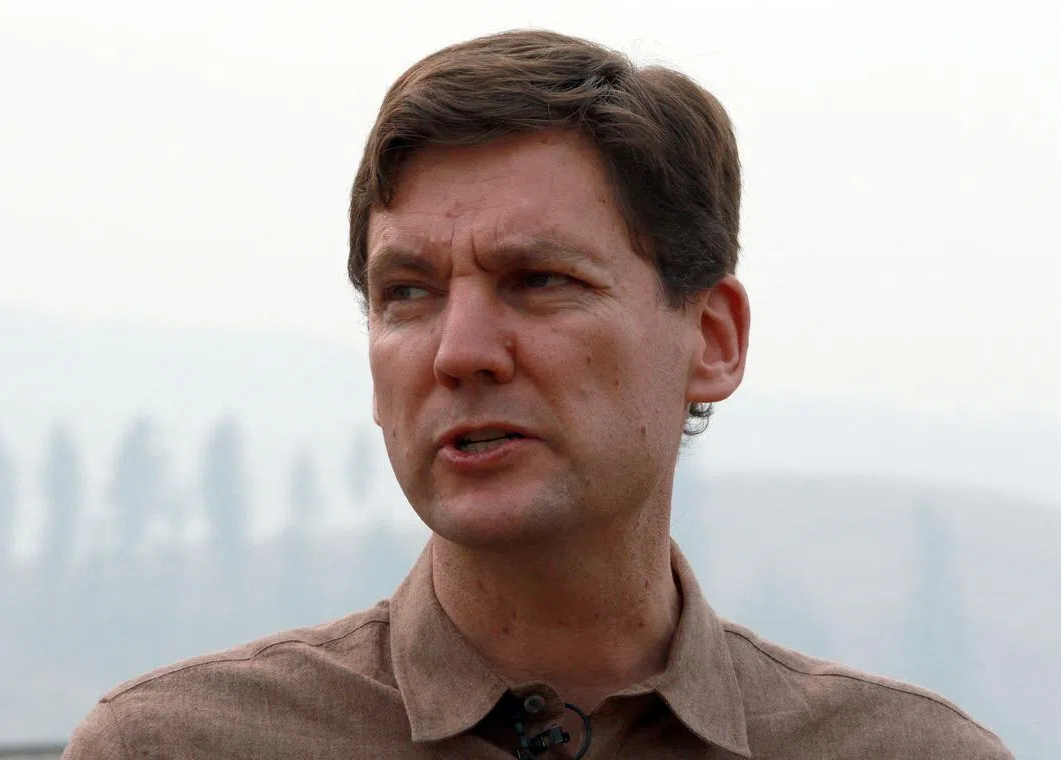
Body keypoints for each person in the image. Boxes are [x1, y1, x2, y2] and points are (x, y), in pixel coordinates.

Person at [62, 30, 1012, 759]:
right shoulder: (179, 744)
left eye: (538, 281)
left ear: (713, 340)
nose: (459, 352)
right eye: (408, 294)